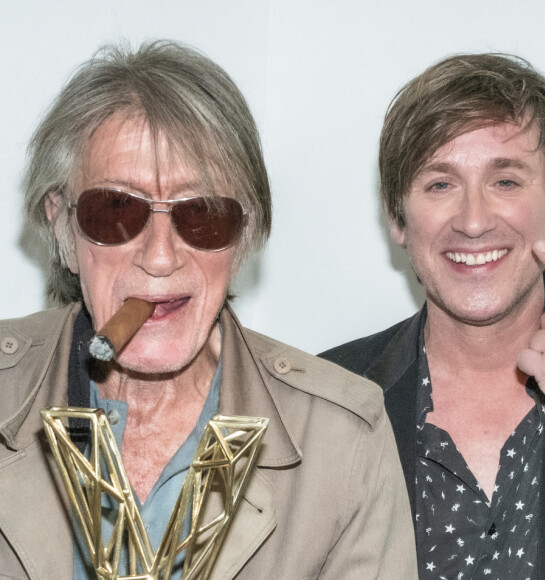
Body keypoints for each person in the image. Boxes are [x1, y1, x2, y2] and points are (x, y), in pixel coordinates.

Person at [0, 40, 417, 579]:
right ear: (63, 225)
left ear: (242, 237)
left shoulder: (341, 439)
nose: (159, 255)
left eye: (202, 215)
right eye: (116, 210)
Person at [321, 53, 545, 579]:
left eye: (506, 181)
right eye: (440, 184)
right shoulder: (326, 402)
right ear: (397, 217)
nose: (474, 220)